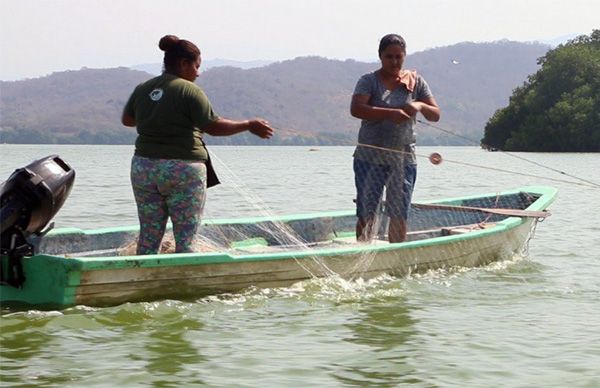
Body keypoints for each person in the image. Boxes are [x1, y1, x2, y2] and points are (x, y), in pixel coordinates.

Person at [121, 35, 274, 255]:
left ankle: (143, 278)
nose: (198, 72)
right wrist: (249, 125)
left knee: (148, 235)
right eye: (196, 66)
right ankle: (182, 282)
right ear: (183, 63)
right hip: (183, 170)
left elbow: (128, 120)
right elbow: (213, 126)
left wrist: (156, 115)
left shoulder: (143, 88)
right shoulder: (190, 90)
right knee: (186, 239)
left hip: (143, 168)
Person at [350, 33, 440, 243]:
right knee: (366, 210)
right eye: (389, 57)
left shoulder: (415, 82)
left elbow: (435, 114)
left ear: (404, 56)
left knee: (399, 212)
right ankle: (362, 251)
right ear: (380, 56)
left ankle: (396, 254)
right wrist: (389, 113)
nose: (394, 62)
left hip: (403, 157)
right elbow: (356, 109)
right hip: (369, 156)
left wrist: (418, 105)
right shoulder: (369, 81)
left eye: (398, 57)